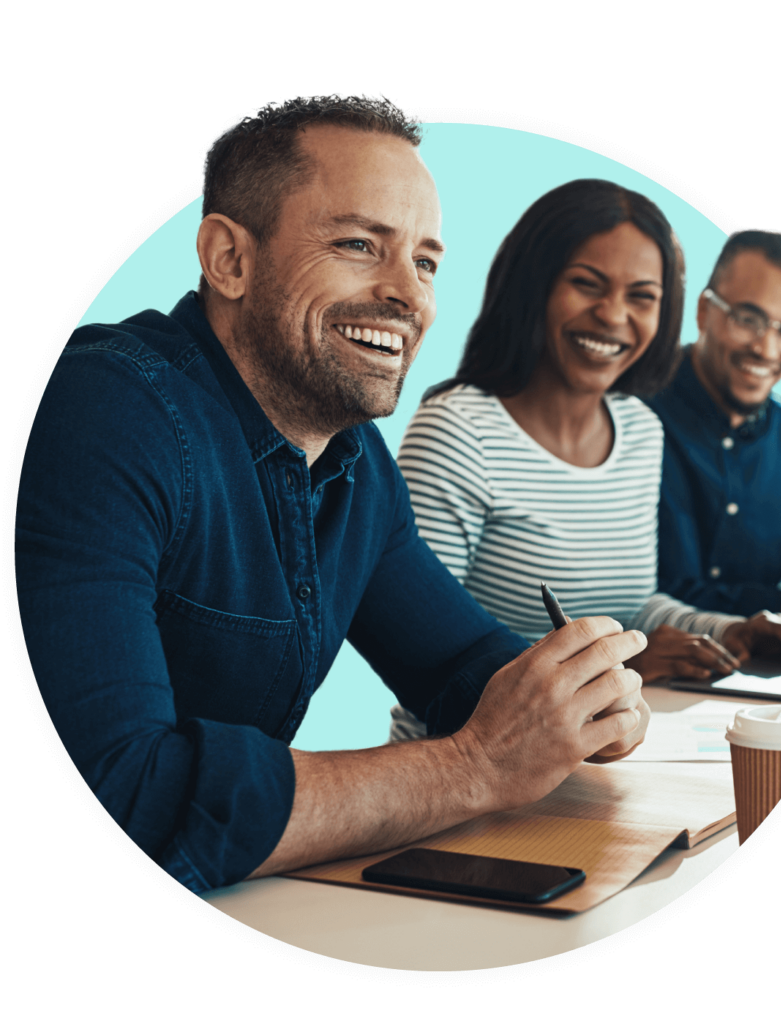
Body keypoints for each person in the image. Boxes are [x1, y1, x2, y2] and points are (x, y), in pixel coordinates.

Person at [14, 96, 655, 896]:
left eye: (424, 262)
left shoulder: (354, 456)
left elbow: (458, 664)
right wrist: (478, 765)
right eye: (359, 244)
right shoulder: (103, 411)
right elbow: (118, 797)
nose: (407, 296)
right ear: (229, 259)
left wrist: (573, 701)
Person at [390, 181, 781, 742]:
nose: (613, 314)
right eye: (586, 284)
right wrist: (617, 671)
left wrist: (733, 631)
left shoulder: (640, 428)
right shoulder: (458, 431)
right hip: (465, 779)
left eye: (641, 296)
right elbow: (427, 656)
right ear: (534, 287)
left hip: (600, 761)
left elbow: (633, 607)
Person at [645, 229, 781, 624]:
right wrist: (778, 605)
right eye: (748, 319)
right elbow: (623, 597)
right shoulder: (628, 416)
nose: (766, 348)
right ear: (703, 312)